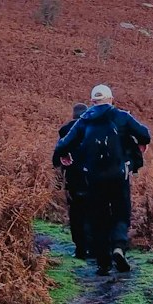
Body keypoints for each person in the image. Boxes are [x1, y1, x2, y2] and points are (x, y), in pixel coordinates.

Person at [52, 84, 151, 276]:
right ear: (111, 99)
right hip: (118, 176)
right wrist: (140, 145)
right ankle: (118, 248)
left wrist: (64, 156)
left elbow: (63, 145)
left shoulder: (84, 121)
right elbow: (145, 134)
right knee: (121, 213)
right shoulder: (121, 116)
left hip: (93, 178)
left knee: (98, 218)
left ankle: (103, 263)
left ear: (92, 102)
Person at [58, 103, 90, 259]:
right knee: (94, 211)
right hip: (93, 176)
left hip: (73, 178)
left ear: (73, 115)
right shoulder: (93, 129)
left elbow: (59, 153)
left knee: (76, 213)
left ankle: (80, 248)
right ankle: (95, 247)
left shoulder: (65, 130)